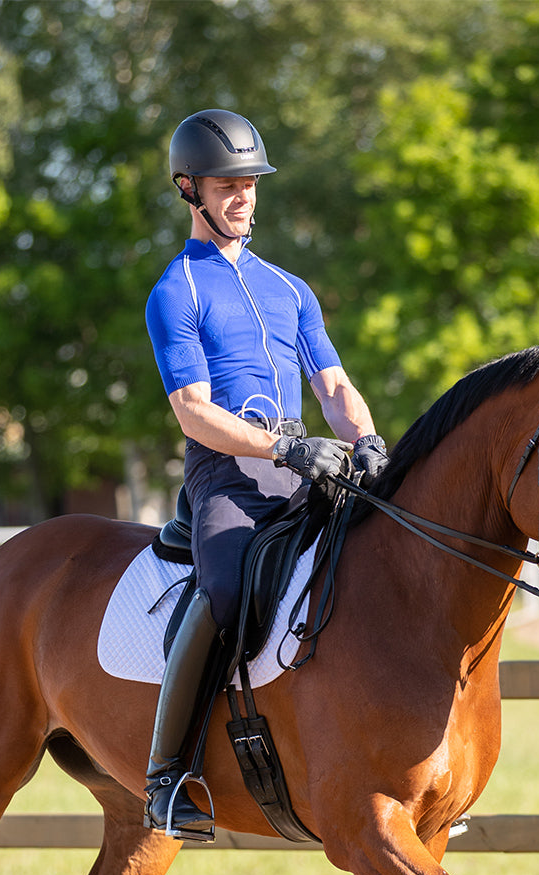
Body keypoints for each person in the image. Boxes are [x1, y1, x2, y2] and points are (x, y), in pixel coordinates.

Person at [143, 108, 387, 836]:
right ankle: (168, 775)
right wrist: (283, 448)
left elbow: (335, 388)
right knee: (224, 592)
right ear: (190, 188)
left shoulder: (292, 289)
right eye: (227, 183)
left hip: (308, 464)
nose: (243, 195)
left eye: (250, 182)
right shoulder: (175, 291)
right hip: (226, 477)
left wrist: (368, 439)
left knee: (383, 561)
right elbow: (192, 412)